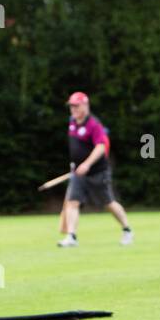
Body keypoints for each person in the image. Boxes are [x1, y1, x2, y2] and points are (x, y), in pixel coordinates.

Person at [56, 91, 133, 247]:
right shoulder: (72, 122)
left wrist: (87, 164)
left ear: (85, 105)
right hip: (78, 172)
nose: (73, 109)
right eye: (71, 106)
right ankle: (72, 237)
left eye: (76, 106)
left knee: (108, 203)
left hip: (98, 172)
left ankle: (127, 229)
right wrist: (76, 165)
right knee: (72, 202)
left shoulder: (94, 124)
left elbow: (101, 146)